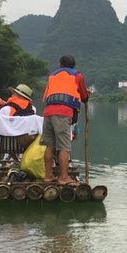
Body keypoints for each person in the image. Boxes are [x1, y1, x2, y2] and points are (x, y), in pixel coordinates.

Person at [40, 55, 90, 185]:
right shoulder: (77, 75)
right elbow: (84, 97)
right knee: (64, 147)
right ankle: (63, 178)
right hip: (63, 113)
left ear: (60, 64)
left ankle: (48, 176)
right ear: (73, 65)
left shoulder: (52, 76)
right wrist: (86, 94)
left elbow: (47, 95)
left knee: (49, 145)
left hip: (48, 112)